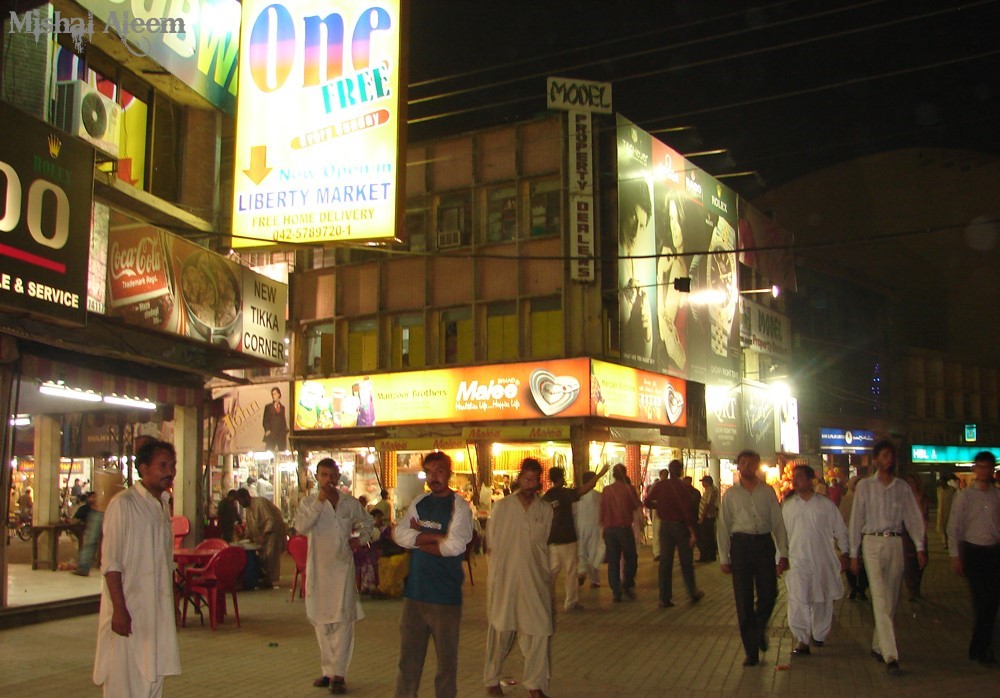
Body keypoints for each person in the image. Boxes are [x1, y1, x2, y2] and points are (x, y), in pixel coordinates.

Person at [93, 440, 180, 697]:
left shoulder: (162, 506)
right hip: (129, 611)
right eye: (162, 465)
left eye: (172, 465)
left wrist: (171, 600)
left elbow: (165, 562)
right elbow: (111, 564)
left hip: (156, 613)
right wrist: (120, 610)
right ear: (143, 468)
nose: (169, 471)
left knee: (152, 679)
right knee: (125, 682)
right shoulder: (124, 505)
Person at [393, 452, 473, 698]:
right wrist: (434, 538)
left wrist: (417, 539)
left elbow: (455, 546)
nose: (433, 477)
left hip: (445, 599)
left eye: (438, 471)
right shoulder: (420, 503)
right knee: (409, 662)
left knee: (446, 665)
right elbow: (399, 535)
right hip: (415, 595)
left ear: (449, 472)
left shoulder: (459, 507)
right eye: (428, 472)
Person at [849, 440, 927, 675]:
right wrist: (853, 553)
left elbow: (913, 517)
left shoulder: (901, 487)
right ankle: (890, 655)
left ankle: (877, 644)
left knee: (891, 598)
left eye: (891, 456)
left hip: (895, 541)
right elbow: (856, 519)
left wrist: (920, 545)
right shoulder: (864, 486)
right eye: (884, 456)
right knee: (880, 598)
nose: (889, 460)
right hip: (871, 542)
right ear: (875, 460)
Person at [295, 458, 373, 694]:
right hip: (318, 570)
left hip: (343, 570)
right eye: (323, 475)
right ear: (317, 477)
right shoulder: (308, 502)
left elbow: (368, 522)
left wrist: (361, 539)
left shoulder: (349, 503)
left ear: (338, 477)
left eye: (332, 475)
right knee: (321, 621)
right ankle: (327, 672)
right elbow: (300, 527)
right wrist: (319, 503)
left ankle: (339, 674)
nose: (328, 480)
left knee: (343, 621)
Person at [484, 458, 553, 698]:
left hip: (534, 580)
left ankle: (535, 684)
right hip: (505, 580)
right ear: (519, 478)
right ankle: (491, 680)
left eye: (534, 480)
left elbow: (544, 546)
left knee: (539, 630)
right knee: (500, 631)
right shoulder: (502, 507)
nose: (530, 484)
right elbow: (491, 546)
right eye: (526, 479)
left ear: (539, 482)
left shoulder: (545, 510)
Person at [718, 449, 789, 667]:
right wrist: (724, 557)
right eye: (743, 463)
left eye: (752, 463)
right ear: (738, 467)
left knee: (769, 593)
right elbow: (723, 527)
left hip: (763, 545)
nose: (747, 467)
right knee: (744, 599)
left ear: (757, 467)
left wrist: (783, 553)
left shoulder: (767, 493)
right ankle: (751, 651)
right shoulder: (730, 495)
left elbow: (778, 523)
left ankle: (758, 630)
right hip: (741, 546)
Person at [781, 465, 849, 656]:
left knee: (822, 600)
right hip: (797, 562)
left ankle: (819, 634)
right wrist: (780, 559)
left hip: (823, 561)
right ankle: (802, 639)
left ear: (811, 480)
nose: (795, 480)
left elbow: (840, 530)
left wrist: (845, 552)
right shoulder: (788, 507)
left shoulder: (826, 506)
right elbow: (781, 537)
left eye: (800, 476)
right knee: (797, 600)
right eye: (794, 477)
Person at [947, 450, 1000, 666]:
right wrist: (955, 556)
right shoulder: (965, 496)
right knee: (982, 601)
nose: (984, 471)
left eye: (988, 467)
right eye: (980, 467)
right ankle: (982, 649)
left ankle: (979, 647)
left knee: (992, 601)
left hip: (995, 552)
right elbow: (954, 527)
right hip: (974, 553)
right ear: (975, 469)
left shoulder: (997, 496)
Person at [542, 462, 609, 611]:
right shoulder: (566, 494)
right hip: (567, 538)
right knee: (570, 571)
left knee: (552, 572)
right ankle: (570, 602)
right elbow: (586, 488)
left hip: (552, 540)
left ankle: (547, 601)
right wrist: (600, 474)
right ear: (561, 479)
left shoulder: (546, 497)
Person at [643, 459, 704, 608]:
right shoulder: (684, 488)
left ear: (669, 471)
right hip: (680, 527)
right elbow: (686, 512)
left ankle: (664, 597)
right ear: (681, 471)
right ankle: (692, 591)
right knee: (686, 561)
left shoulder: (660, 486)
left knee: (665, 562)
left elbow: (647, 502)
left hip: (664, 527)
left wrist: (660, 506)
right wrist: (692, 532)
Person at [600, 463, 642, 602]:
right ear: (625, 474)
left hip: (610, 529)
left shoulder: (606, 490)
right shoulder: (629, 489)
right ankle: (627, 582)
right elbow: (636, 505)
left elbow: (602, 510)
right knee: (631, 557)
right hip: (624, 528)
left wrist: (603, 528)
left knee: (613, 561)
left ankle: (615, 590)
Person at [236, 488, 287, 587]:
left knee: (270, 555)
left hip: (272, 532)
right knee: (261, 557)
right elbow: (250, 527)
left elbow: (271, 520)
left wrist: (264, 534)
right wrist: (244, 537)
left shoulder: (260, 503)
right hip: (262, 536)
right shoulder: (248, 509)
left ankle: (269, 580)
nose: (240, 503)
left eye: (241, 500)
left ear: (246, 497)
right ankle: (263, 577)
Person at [839, 476, 869, 601]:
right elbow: (842, 517)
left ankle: (861, 588)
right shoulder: (846, 499)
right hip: (848, 535)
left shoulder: (867, 500)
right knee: (850, 562)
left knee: (865, 564)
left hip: (865, 535)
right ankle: (853, 587)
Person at [902, 474, 930, 601]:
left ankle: (917, 586)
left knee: (923, 560)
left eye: (913, 482)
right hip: (907, 533)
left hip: (922, 532)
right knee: (909, 562)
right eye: (908, 483)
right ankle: (912, 589)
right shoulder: (903, 499)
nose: (911, 485)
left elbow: (926, 516)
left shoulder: (922, 498)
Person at [575, 471, 605, 589]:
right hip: (594, 526)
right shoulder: (597, 495)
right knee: (593, 552)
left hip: (580, 525)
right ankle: (594, 579)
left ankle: (581, 571)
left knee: (582, 552)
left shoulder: (578, 495)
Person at [72, 492, 104, 577]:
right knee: (90, 540)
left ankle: (84, 567)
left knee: (91, 540)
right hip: (100, 510)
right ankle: (83, 567)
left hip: (101, 510)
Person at [698, 475, 720, 562]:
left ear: (707, 482)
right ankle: (711, 555)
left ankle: (705, 555)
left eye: (703, 482)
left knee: (705, 536)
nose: (702, 483)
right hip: (711, 516)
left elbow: (707, 504)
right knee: (710, 536)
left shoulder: (710, 491)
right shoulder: (715, 490)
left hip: (707, 516)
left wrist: (702, 516)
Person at [648, 469, 668, 561]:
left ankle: (662, 552)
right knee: (657, 532)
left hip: (665, 512)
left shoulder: (667, 485)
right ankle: (657, 552)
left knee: (663, 533)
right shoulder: (656, 486)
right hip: (658, 511)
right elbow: (649, 500)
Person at [262, 386, 289, 452]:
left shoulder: (282, 407)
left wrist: (286, 428)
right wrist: (267, 430)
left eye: (275, 394)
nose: (273, 396)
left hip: (281, 434)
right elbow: (265, 420)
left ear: (278, 394)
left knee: (282, 451)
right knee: (268, 451)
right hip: (272, 434)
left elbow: (283, 419)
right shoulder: (268, 407)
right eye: (272, 394)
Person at [937, 474, 958, 550]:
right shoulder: (939, 490)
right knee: (942, 528)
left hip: (950, 512)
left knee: (949, 528)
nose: (941, 483)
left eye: (943, 481)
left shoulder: (952, 490)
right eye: (940, 481)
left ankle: (950, 542)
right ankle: (945, 542)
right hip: (941, 512)